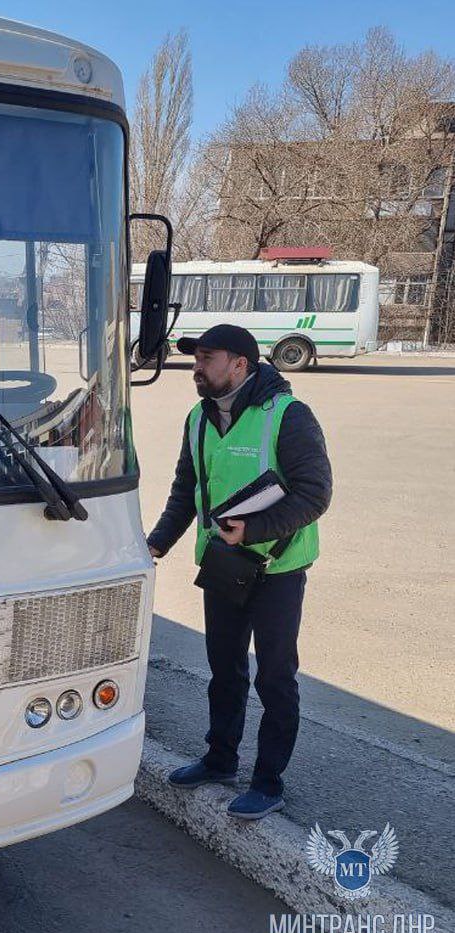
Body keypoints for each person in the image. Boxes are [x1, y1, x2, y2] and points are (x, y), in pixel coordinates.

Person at [146, 324, 332, 820]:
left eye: (207, 357)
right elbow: (186, 491)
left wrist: (250, 530)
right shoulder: (198, 419)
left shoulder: (288, 416)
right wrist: (155, 544)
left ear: (240, 365)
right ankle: (219, 759)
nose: (196, 367)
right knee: (224, 669)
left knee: (274, 678)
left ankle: (268, 782)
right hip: (223, 565)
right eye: (195, 358)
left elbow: (315, 495)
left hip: (278, 568)